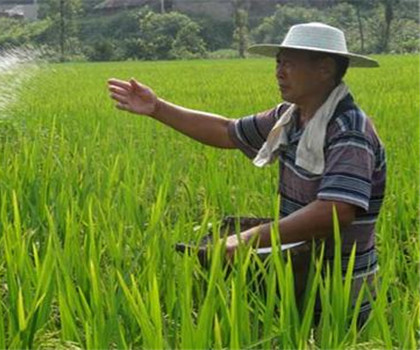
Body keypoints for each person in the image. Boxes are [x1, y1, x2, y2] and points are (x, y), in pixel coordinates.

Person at [107, 22, 385, 325]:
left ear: (325, 69)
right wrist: (157, 108)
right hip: (300, 268)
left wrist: (248, 239)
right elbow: (227, 131)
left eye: (289, 64)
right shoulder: (290, 117)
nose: (279, 72)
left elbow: (336, 210)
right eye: (278, 62)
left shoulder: (347, 129)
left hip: (340, 286)